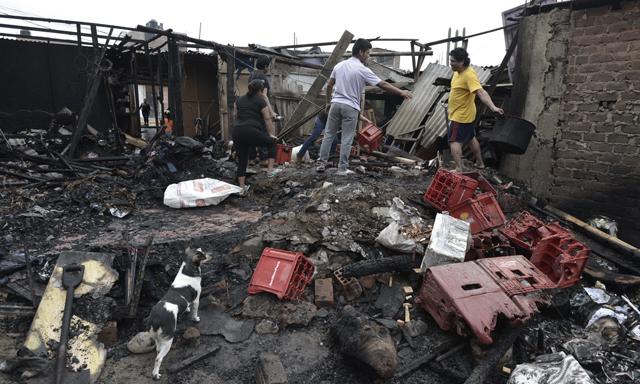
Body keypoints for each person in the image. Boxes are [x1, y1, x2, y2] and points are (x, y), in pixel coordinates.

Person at [316, 38, 412, 175]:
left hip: (335, 104)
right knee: (347, 138)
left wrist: (328, 102)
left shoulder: (339, 66)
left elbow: (330, 84)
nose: (368, 56)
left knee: (329, 134)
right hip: (350, 107)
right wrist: (401, 92)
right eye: (368, 53)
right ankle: (342, 169)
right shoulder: (362, 69)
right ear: (361, 52)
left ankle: (321, 164)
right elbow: (382, 84)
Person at [447, 47, 504, 172]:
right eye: (450, 60)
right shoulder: (457, 72)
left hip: (461, 116)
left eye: (453, 61)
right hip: (463, 113)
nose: (450, 63)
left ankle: (458, 169)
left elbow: (480, 92)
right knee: (470, 138)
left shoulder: (468, 75)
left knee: (454, 141)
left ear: (462, 62)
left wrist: (492, 107)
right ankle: (480, 163)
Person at [232, 79, 278, 193]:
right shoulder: (261, 100)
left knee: (242, 160)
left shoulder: (239, 100)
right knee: (272, 143)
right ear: (261, 90)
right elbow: (267, 118)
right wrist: (271, 134)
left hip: (237, 131)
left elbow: (235, 115)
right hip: (251, 130)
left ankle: (242, 188)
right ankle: (270, 171)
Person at [296, 110, 372, 161]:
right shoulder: (338, 104)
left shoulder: (352, 107)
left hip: (332, 123)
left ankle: (330, 159)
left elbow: (358, 115)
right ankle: (300, 154)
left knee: (334, 141)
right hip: (322, 120)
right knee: (314, 137)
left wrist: (367, 120)